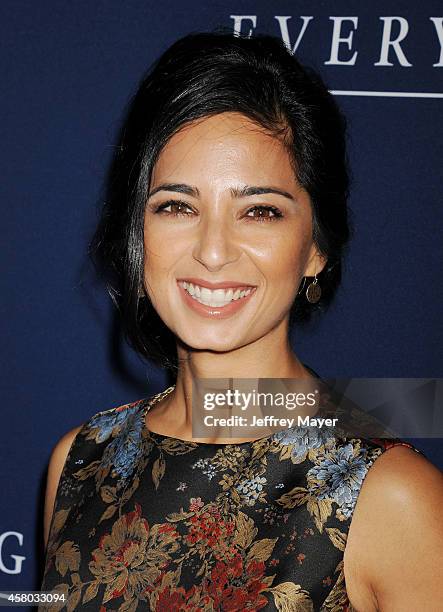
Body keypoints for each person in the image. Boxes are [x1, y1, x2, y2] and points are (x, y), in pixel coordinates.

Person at [39, 31, 443, 611]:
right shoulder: (80, 462)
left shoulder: (393, 498)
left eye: (260, 211)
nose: (212, 250)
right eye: (177, 205)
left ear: (316, 248)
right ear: (138, 231)